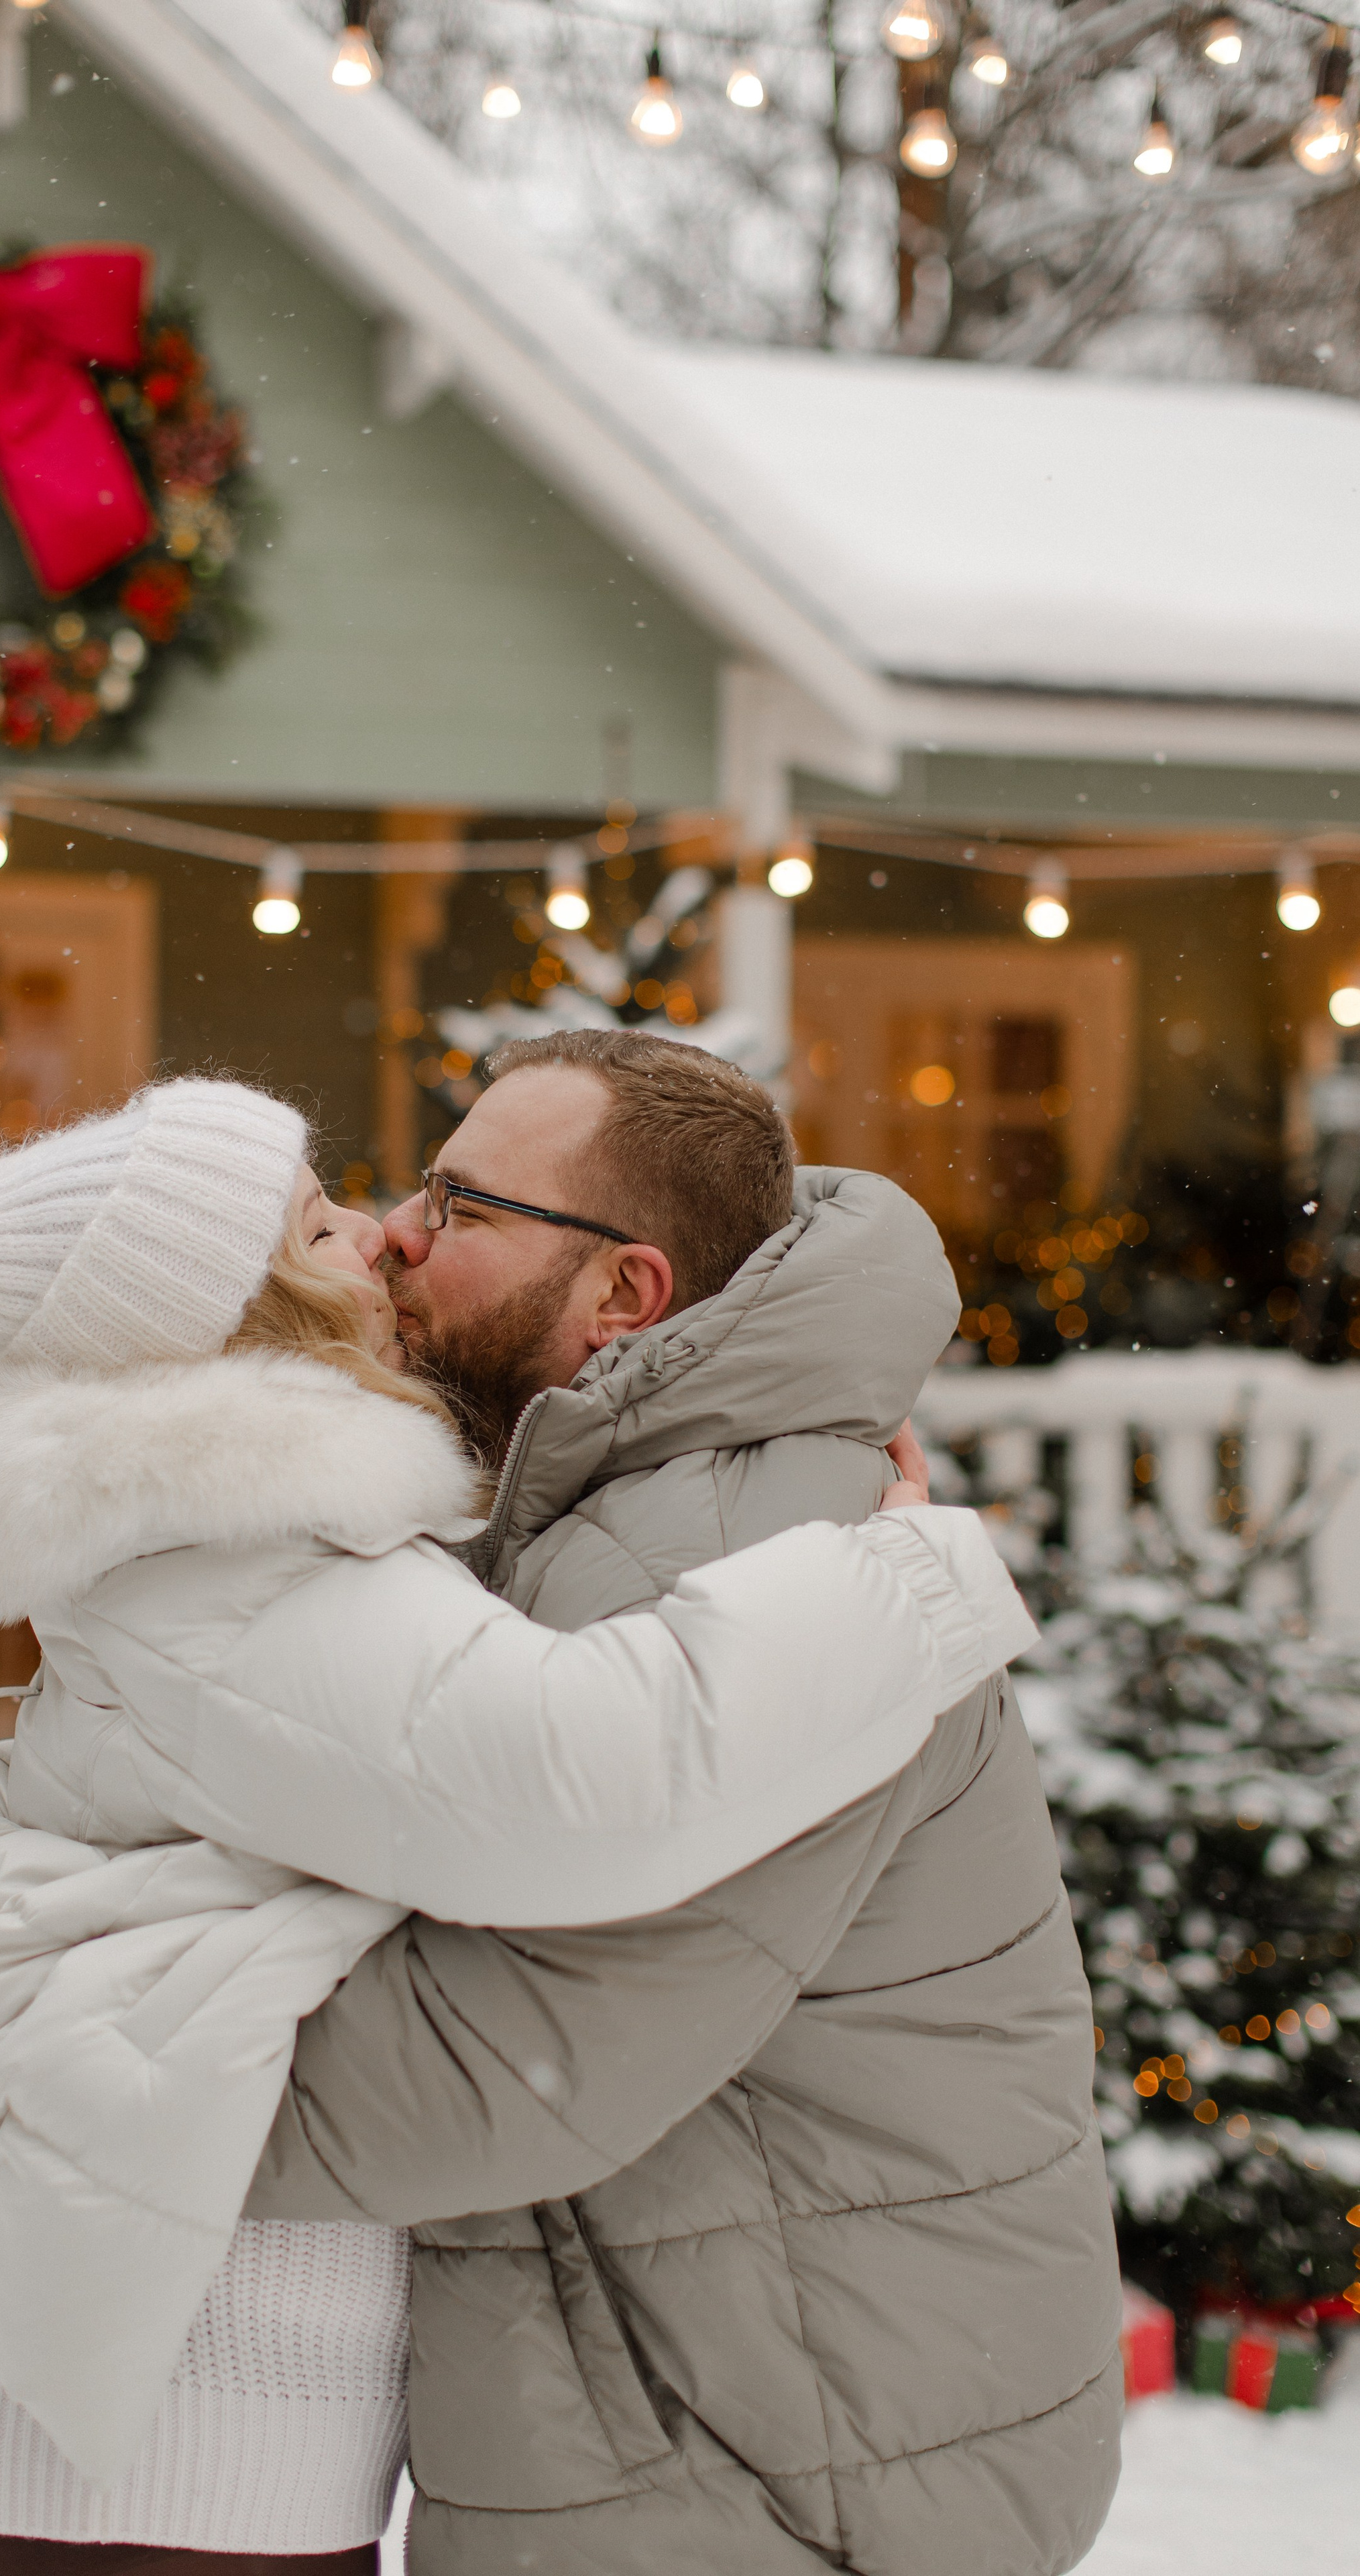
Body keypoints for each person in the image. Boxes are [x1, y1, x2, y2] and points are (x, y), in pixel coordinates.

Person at [0, 1073, 1031, 2576]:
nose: (378, 1233)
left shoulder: (267, 1531)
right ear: (238, 1318)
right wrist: (909, 1582)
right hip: (157, 2403)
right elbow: (571, 1783)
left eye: (439, 1203)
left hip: (161, 2351)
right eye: (323, 1225)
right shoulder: (242, 1552)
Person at [240, 1027, 1125, 2576]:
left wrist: (42, 2070)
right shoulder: (651, 1509)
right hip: (755, 2414)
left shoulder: (705, 1551)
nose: (392, 1230)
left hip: (777, 2474)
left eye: (459, 1204)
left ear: (624, 1297)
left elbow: (494, 2072)